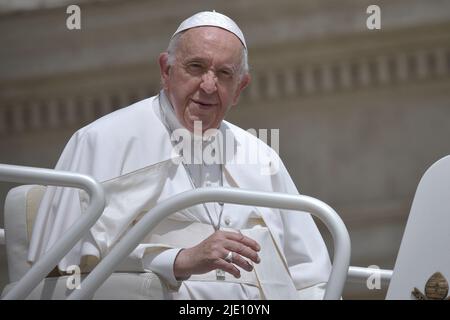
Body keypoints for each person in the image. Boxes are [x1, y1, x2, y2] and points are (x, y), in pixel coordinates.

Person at [28, 11, 331, 299]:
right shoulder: (101, 140)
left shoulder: (261, 157)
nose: (209, 86)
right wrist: (178, 260)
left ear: (240, 88)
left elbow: (311, 274)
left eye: (225, 74)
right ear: (166, 70)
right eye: (196, 67)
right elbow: (60, 268)